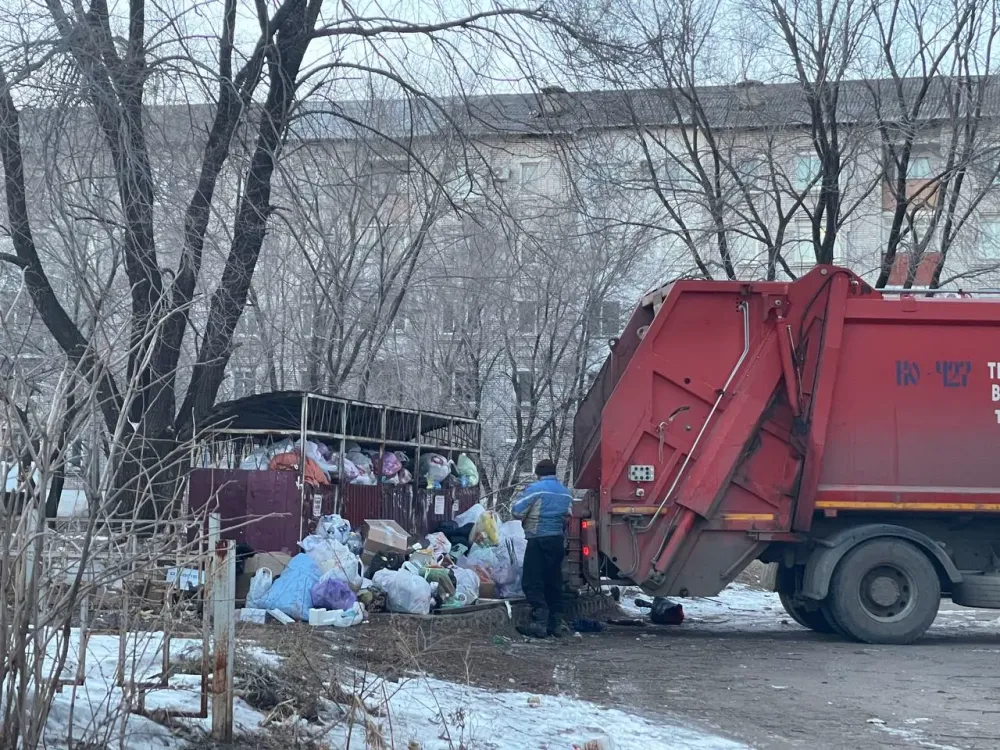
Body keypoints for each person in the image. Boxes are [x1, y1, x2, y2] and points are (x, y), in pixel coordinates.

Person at [511, 458, 574, 638]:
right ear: (554, 473)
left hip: (538, 539)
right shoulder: (565, 492)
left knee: (532, 580)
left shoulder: (535, 490)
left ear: (538, 474)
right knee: (554, 580)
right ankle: (557, 622)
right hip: (557, 541)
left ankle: (539, 621)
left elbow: (516, 511)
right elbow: (569, 514)